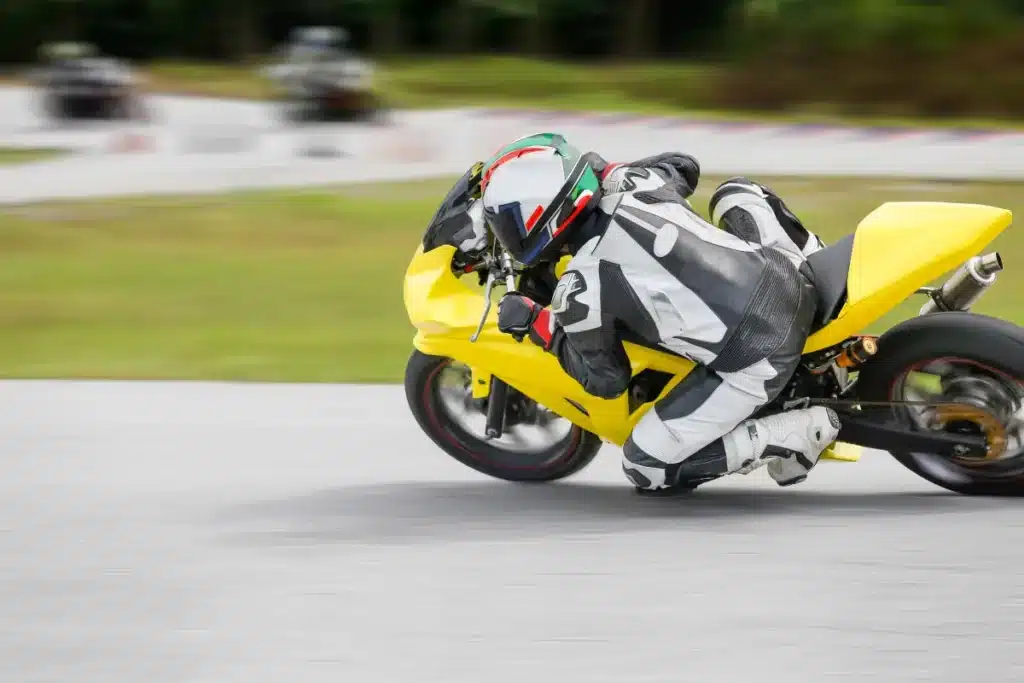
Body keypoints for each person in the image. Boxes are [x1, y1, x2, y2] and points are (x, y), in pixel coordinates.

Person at [432, 132, 842, 495]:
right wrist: (604, 170)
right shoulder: (637, 182)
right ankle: (829, 303)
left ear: (542, 219)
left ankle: (796, 434)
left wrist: (538, 323)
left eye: (507, 223)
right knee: (737, 191)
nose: (505, 231)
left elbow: (607, 380)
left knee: (646, 467)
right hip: (787, 272)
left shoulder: (583, 287)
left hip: (759, 354)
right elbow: (685, 166)